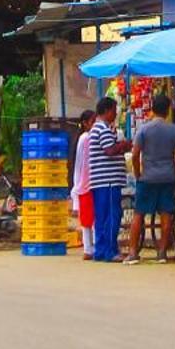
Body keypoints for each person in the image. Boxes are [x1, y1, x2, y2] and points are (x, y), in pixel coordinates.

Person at [128, 92, 175, 263]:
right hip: (167, 178)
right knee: (166, 214)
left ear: (152, 109)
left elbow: (135, 154)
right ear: (168, 111)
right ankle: (162, 252)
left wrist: (138, 173)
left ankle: (132, 252)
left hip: (147, 178)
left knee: (139, 214)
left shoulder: (144, 129)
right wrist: (173, 165)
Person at [82, 98, 131, 263]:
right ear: (107, 110)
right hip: (108, 181)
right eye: (114, 110)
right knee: (112, 216)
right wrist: (124, 145)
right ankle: (110, 251)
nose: (116, 113)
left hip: (101, 181)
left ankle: (101, 251)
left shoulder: (98, 129)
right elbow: (110, 150)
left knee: (102, 217)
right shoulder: (102, 129)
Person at [70, 108, 97, 258]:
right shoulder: (86, 138)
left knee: (89, 219)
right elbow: (80, 165)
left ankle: (89, 248)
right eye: (93, 121)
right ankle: (89, 248)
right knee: (89, 219)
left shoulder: (85, 138)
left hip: (87, 182)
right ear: (85, 123)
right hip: (86, 183)